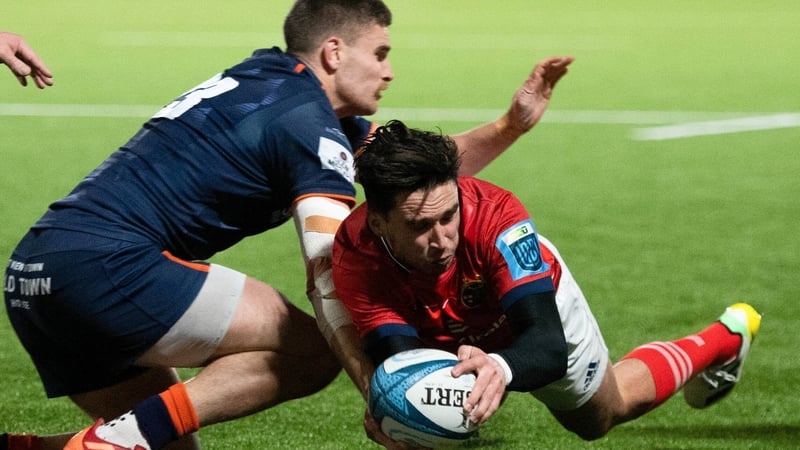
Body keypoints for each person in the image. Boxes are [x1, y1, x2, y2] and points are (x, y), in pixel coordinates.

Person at [1, 0, 574, 449]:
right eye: (379, 54)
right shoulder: (308, 124)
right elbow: (329, 273)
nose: (389, 72)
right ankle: (117, 440)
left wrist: (509, 126)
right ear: (333, 51)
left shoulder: (274, 82)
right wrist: (381, 394)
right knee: (311, 351)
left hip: (35, 273)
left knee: (163, 442)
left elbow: (411, 180)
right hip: (108, 267)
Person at [330, 120, 762, 448]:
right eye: (420, 225)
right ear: (378, 222)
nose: (443, 239)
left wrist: (500, 367)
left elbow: (548, 347)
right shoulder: (355, 255)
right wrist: (398, 407)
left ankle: (725, 338)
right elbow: (401, 358)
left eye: (449, 216)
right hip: (433, 323)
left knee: (600, 418)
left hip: (521, 310)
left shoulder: (498, 218)